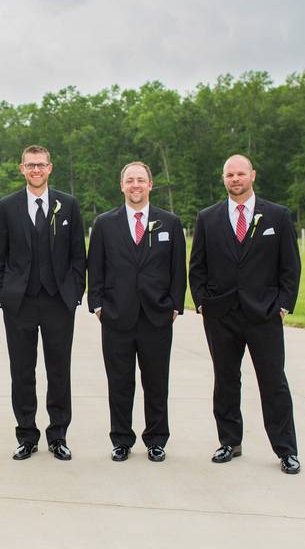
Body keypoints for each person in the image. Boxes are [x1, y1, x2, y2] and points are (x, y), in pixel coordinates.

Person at [188, 154, 302, 474]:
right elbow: (197, 267)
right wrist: (202, 303)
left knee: (273, 381)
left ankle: (286, 449)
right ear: (223, 179)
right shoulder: (207, 218)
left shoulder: (277, 217)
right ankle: (229, 442)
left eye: (240, 173)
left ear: (252, 175)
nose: (235, 179)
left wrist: (282, 305)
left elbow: (290, 266)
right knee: (225, 380)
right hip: (221, 315)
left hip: (264, 314)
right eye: (229, 175)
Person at [0, 145, 86, 461]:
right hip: (20, 303)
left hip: (59, 301)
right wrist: (3, 295)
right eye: (30, 165)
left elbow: (77, 255)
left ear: (50, 167)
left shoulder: (68, 205)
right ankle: (26, 435)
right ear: (21, 168)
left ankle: (58, 435)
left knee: (59, 370)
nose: (36, 170)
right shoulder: (7, 206)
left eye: (41, 165)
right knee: (22, 370)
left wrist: (73, 295)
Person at [87, 161, 186, 462]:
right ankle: (121, 439)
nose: (135, 185)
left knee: (156, 381)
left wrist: (175, 306)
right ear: (122, 186)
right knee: (119, 381)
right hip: (117, 316)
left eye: (141, 180)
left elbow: (178, 269)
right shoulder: (105, 223)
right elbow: (96, 266)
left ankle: (156, 439)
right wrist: (98, 305)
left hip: (157, 316)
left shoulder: (169, 223)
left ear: (150, 185)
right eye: (130, 180)